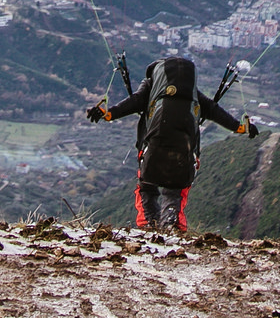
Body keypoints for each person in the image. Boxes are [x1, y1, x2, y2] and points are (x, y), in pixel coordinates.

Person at [86, 56, 258, 233]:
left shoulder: (151, 85)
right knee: (175, 191)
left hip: (153, 146)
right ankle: (172, 225)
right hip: (185, 150)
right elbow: (216, 111)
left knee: (147, 186)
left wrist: (107, 114)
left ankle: (148, 226)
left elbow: (133, 102)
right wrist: (241, 127)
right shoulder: (192, 95)